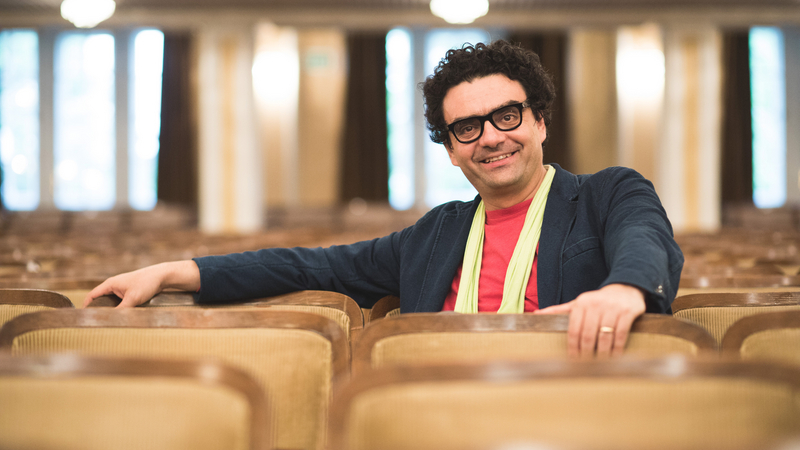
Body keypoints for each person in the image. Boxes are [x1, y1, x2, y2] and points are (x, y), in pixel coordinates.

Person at [85, 40, 683, 357]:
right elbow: (307, 264)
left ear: (540, 121)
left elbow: (645, 239)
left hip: (572, 399)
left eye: (506, 115)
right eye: (466, 127)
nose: (491, 138)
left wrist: (623, 290)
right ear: (451, 149)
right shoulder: (433, 234)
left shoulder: (608, 193)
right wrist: (170, 270)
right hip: (433, 409)